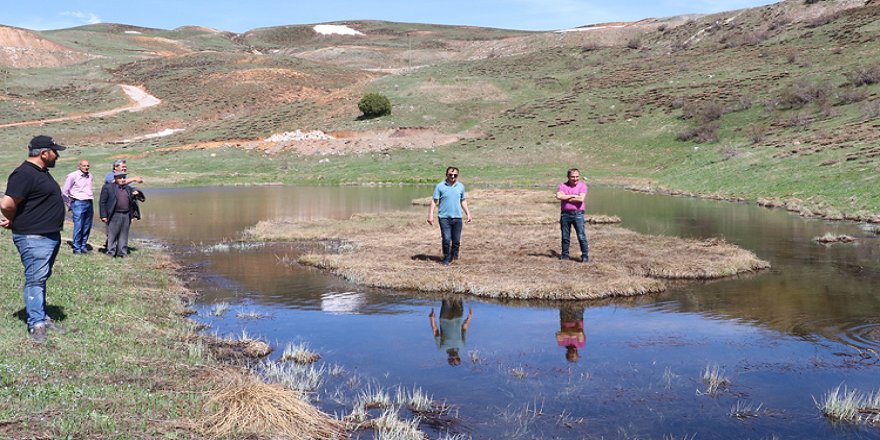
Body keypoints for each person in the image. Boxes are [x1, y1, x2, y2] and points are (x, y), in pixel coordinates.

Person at [1, 135, 69, 343]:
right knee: (35, 279)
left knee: (40, 278)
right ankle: (36, 324)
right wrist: (12, 219)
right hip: (33, 237)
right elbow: (7, 204)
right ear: (44, 153)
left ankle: (42, 316)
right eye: (55, 151)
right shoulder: (24, 173)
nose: (57, 155)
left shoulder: (40, 173)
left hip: (46, 236)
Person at [427, 166, 472, 265]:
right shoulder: (440, 186)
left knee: (456, 241)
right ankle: (446, 258)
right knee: (446, 239)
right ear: (446, 175)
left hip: (457, 217)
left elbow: (463, 200)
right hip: (444, 218)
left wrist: (468, 214)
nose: (452, 177)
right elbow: (434, 201)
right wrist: (430, 215)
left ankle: (455, 257)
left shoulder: (460, 186)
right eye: (450, 174)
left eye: (455, 175)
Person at [99, 171, 144, 258]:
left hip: (126, 215)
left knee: (124, 235)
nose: (122, 179)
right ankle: (111, 252)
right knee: (112, 235)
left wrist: (137, 194)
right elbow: (102, 202)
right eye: (120, 178)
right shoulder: (108, 187)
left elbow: (134, 201)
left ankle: (122, 252)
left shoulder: (128, 188)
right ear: (115, 178)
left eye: (124, 177)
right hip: (114, 214)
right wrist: (103, 215)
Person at [556, 168, 589, 262]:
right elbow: (558, 196)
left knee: (581, 236)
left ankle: (585, 257)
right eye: (573, 177)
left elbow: (581, 199)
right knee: (565, 237)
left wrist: (565, 197)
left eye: (577, 176)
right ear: (568, 177)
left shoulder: (582, 186)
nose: (575, 179)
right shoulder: (562, 185)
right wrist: (573, 196)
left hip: (578, 214)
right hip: (565, 215)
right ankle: (565, 256)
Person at [61, 159, 94, 254]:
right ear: (79, 166)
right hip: (78, 203)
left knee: (87, 225)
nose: (86, 167)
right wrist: (69, 204)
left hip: (89, 201)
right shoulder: (72, 176)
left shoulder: (90, 176)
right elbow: (64, 192)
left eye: (87, 166)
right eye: (84, 166)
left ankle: (83, 246)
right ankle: (76, 248)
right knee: (78, 226)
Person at [428, 298, 473, 366]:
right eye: (457, 359)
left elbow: (436, 332)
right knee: (458, 297)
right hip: (458, 317)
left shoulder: (441, 348)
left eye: (452, 360)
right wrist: (469, 317)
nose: (454, 358)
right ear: (459, 357)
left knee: (446, 299)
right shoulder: (462, 346)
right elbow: (464, 329)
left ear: (448, 358)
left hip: (444, 318)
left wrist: (432, 319)